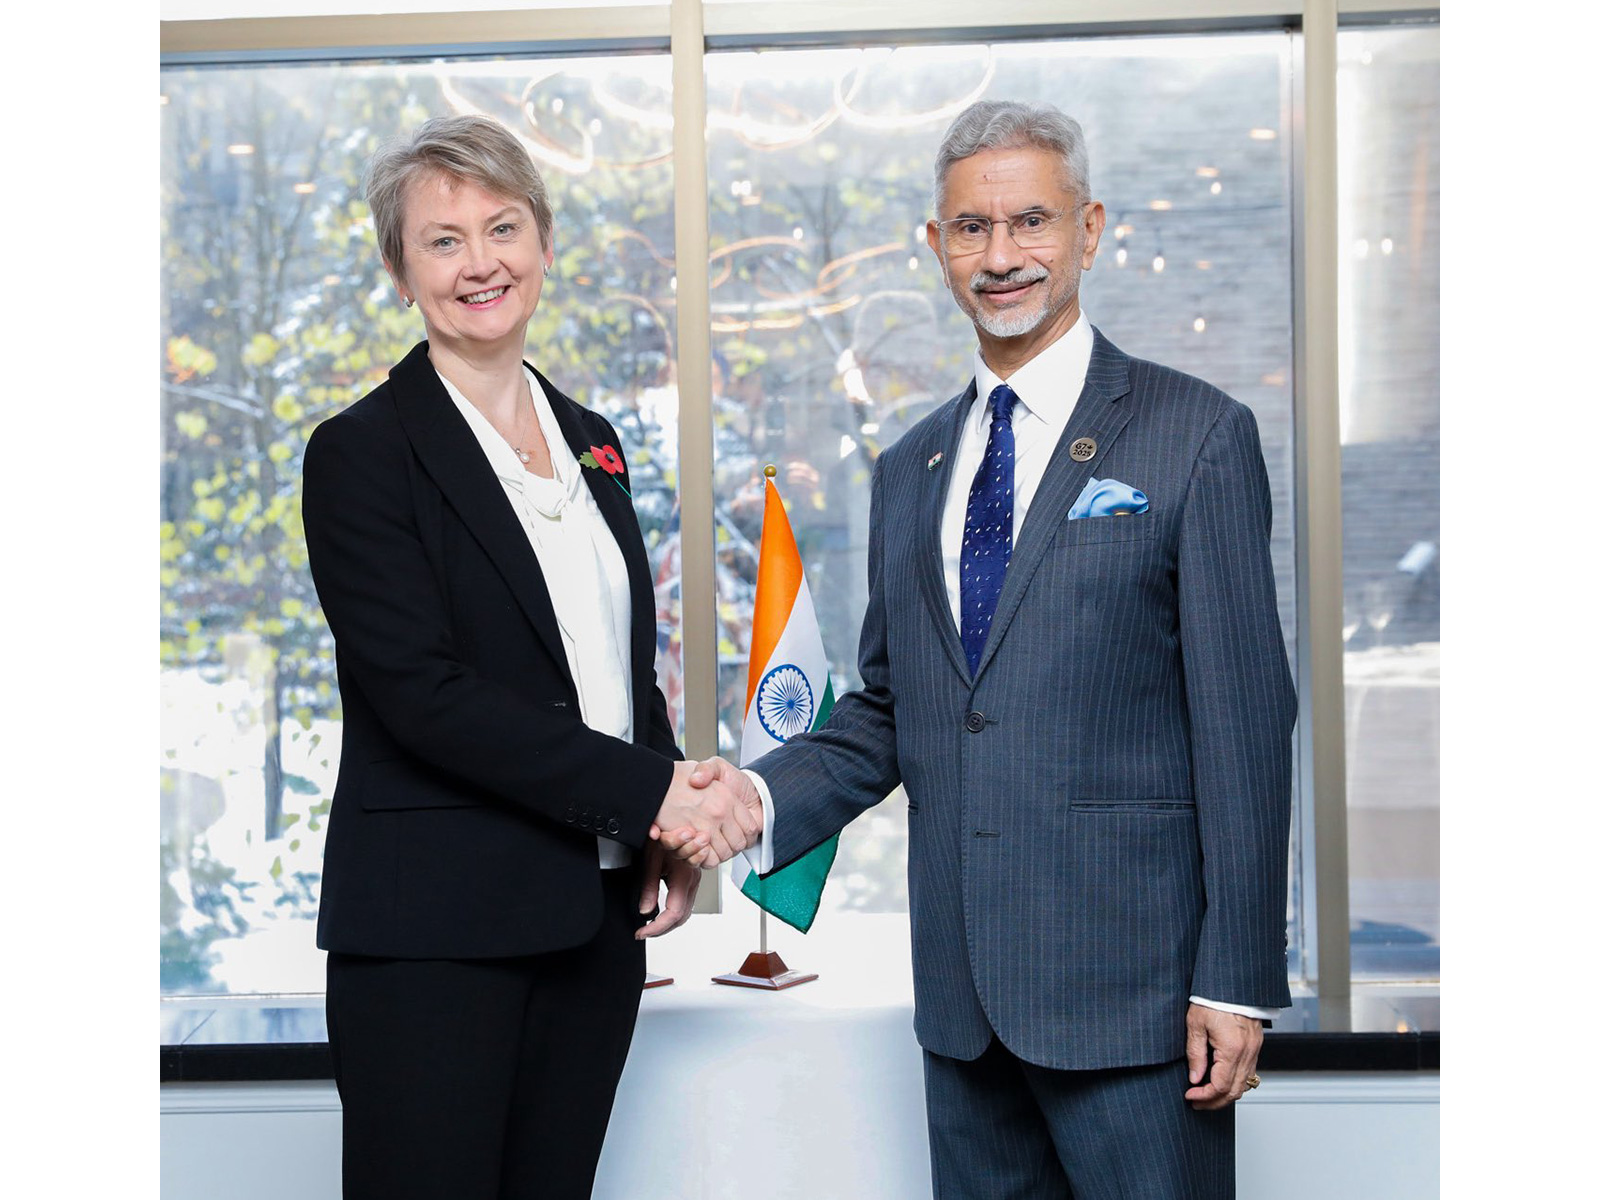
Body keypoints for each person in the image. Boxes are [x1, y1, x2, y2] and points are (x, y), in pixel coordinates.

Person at [672, 100, 1296, 1198]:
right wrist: (752, 800)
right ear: (935, 244)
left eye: (1030, 222)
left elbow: (1247, 723)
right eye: (970, 228)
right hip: (964, 1012)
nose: (999, 256)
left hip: (1141, 1010)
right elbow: (891, 707)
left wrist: (1236, 979)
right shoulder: (909, 466)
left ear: (1089, 230)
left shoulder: (1194, 433)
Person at [300, 115, 756, 1200]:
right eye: (442, 240)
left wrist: (667, 830)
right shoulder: (360, 453)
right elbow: (426, 698)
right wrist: (658, 794)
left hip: (587, 921)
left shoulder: (592, 436)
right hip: (434, 938)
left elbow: (610, 662)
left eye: (502, 228)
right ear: (398, 269)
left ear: (544, 243)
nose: (480, 263)